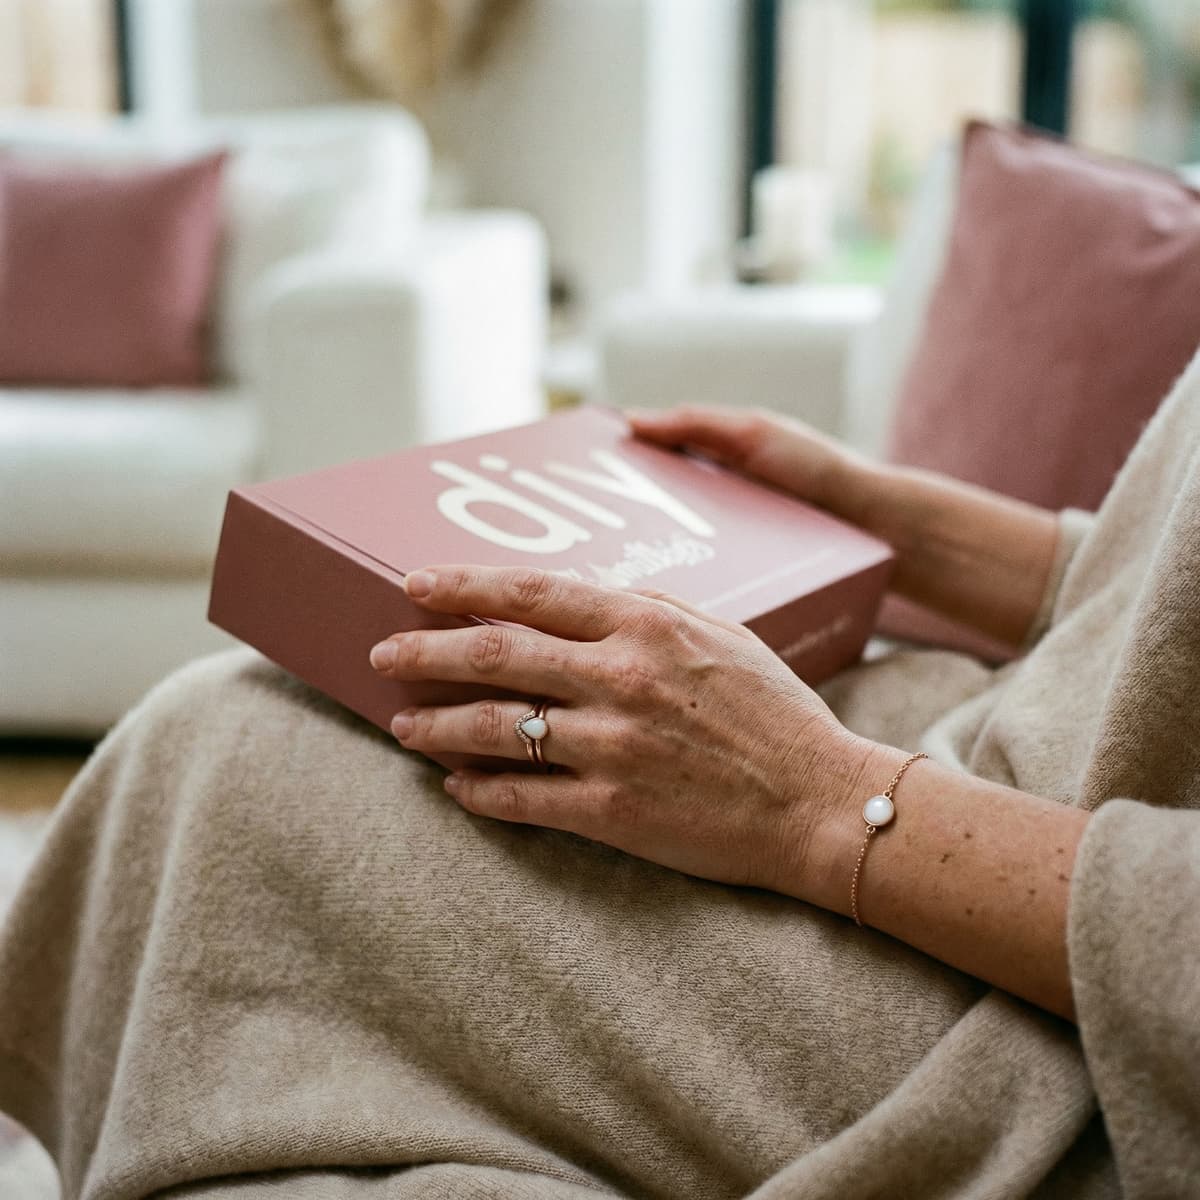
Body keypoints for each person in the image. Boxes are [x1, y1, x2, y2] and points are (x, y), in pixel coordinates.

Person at [1, 355, 1198, 1199]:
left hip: (1053, 997)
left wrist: (815, 802)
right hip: (990, 748)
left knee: (231, 762)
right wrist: (882, 519)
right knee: (256, 738)